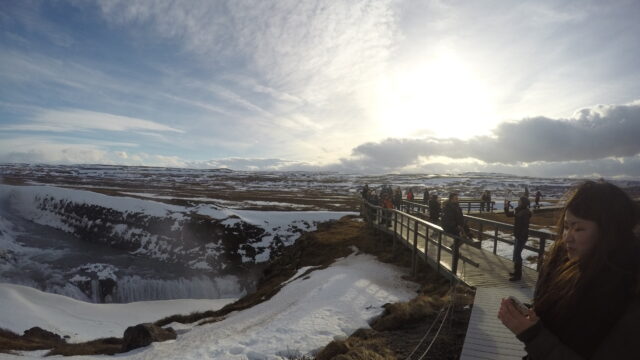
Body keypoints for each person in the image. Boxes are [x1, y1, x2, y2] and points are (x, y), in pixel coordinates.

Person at [498, 181, 640, 359]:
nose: (566, 238)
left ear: (609, 233)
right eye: (566, 226)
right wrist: (534, 322)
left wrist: (534, 335)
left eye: (578, 228)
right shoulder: (562, 264)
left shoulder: (629, 293)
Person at [507, 196, 532, 281]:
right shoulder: (519, 210)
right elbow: (508, 215)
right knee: (516, 254)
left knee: (517, 255)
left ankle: (518, 275)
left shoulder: (525, 212)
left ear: (523, 203)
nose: (518, 201)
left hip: (521, 237)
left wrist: (521, 236)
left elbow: (525, 227)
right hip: (518, 236)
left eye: (519, 201)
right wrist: (506, 206)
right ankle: (516, 272)